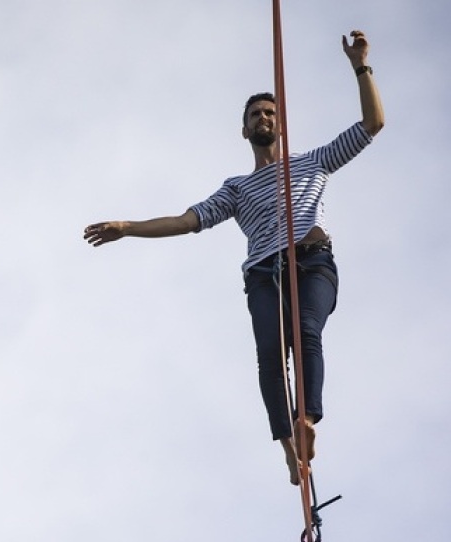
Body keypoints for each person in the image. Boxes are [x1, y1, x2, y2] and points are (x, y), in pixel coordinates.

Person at [84, 31, 384, 486]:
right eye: (255, 115)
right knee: (270, 355)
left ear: (280, 124)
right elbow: (187, 221)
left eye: (270, 113)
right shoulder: (236, 189)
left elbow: (372, 124)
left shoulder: (313, 162)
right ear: (245, 130)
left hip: (312, 262)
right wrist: (128, 227)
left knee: (306, 332)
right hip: (264, 273)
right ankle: (289, 448)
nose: (263, 118)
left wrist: (360, 65)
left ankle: (306, 421)